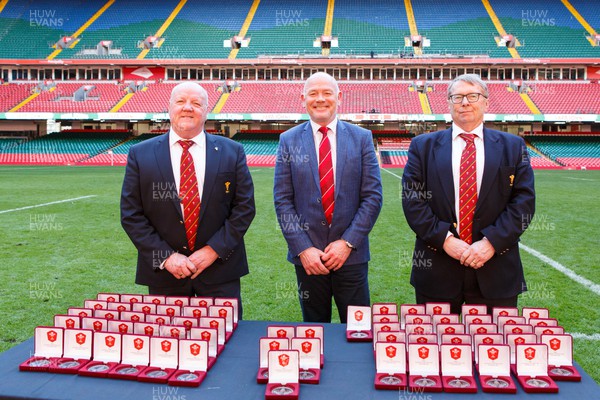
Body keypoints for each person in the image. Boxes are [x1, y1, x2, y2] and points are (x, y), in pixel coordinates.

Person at [401, 74, 535, 315]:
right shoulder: (422, 146)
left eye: (472, 96)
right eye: (457, 97)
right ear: (449, 103)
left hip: (496, 267)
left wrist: (491, 243)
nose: (465, 102)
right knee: (432, 347)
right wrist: (446, 241)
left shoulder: (513, 147)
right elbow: (413, 201)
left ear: (485, 102)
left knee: (494, 349)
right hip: (437, 266)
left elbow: (523, 203)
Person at [121, 82, 255, 318]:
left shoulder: (232, 151)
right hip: (166, 274)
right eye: (181, 101)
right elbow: (131, 215)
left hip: (220, 271)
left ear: (206, 110)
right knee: (167, 346)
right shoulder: (140, 154)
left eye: (196, 103)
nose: (187, 108)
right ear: (169, 107)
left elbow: (244, 208)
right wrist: (166, 257)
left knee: (226, 341)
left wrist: (213, 250)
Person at [274, 72, 383, 323]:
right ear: (303, 99)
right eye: (313, 93)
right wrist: (303, 249)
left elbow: (372, 197)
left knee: (357, 330)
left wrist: (347, 243)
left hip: (352, 256)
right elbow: (282, 200)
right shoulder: (288, 140)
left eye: (327, 93)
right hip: (308, 260)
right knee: (314, 331)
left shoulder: (361, 138)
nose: (320, 99)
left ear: (339, 97)